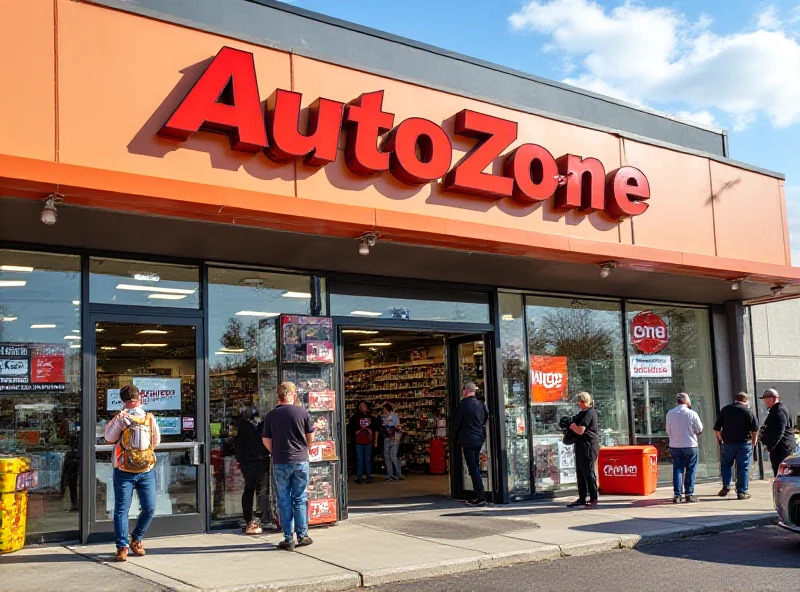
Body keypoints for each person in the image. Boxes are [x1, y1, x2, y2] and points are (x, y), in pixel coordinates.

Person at [103, 385, 161, 562]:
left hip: (123, 469)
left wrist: (116, 420)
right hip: (146, 469)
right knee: (149, 507)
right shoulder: (149, 418)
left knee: (122, 509)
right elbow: (156, 441)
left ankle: (123, 547)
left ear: (122, 400)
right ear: (139, 398)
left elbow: (109, 438)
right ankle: (136, 539)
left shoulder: (122, 418)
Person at [262, 382, 316, 551]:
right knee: (299, 498)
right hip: (300, 460)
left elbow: (265, 439)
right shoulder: (302, 412)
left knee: (283, 500)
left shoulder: (271, 415)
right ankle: (302, 535)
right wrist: (306, 448)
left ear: (278, 397)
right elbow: (310, 435)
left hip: (281, 461)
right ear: (293, 395)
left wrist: (275, 451)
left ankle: (288, 537)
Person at [714, 392, 758, 499]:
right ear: (746, 401)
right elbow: (755, 430)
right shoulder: (748, 411)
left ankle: (726, 486)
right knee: (743, 467)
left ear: (735, 399)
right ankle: (741, 491)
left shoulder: (726, 410)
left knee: (726, 465)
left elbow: (716, 428)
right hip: (744, 443)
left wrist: (722, 439)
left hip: (728, 443)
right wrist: (753, 442)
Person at [235, 403, 270, 535]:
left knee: (254, 489)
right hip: (256, 459)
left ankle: (253, 519)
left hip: (252, 460)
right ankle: (255, 519)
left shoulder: (244, 425)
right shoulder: (251, 425)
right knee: (258, 489)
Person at [453, 382, 487, 507]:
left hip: (468, 440)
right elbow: (485, 418)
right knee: (476, 466)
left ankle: (480, 496)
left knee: (473, 468)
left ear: (465, 391)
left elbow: (455, 424)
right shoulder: (481, 404)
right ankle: (480, 494)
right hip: (479, 438)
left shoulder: (463, 405)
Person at [665, 392, 703, 503]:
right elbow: (699, 429)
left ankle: (677, 495)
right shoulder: (691, 413)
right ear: (686, 401)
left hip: (675, 445)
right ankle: (689, 493)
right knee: (691, 469)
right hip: (690, 444)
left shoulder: (670, 414)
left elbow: (668, 430)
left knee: (677, 469)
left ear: (676, 401)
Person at [566, 392, 600, 509]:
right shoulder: (582, 413)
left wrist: (571, 425)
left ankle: (593, 497)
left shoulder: (590, 412)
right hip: (580, 444)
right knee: (580, 472)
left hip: (589, 445)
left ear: (582, 401)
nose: (578, 404)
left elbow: (580, 430)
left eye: (579, 401)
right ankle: (582, 497)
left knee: (588, 472)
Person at [759, 388, 795, 476]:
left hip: (782, 447)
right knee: (778, 471)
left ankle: (783, 489)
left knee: (782, 472)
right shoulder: (775, 410)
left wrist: (770, 445)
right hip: (778, 447)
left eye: (767, 399)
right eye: (764, 399)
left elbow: (779, 430)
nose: (765, 402)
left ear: (774, 398)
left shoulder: (779, 410)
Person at [349, 402, 378, 484]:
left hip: (368, 442)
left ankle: (368, 476)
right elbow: (351, 430)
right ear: (359, 407)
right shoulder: (355, 418)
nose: (363, 407)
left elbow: (376, 429)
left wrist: (375, 441)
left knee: (367, 460)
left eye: (364, 405)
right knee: (360, 460)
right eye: (361, 405)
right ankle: (359, 477)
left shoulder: (371, 418)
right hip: (359, 442)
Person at [381, 403, 403, 481]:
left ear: (388, 410)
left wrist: (396, 435)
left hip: (394, 438)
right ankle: (389, 474)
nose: (383, 411)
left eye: (385, 409)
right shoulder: (383, 417)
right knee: (387, 457)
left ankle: (398, 474)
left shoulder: (395, 416)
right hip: (386, 438)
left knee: (393, 456)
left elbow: (398, 427)